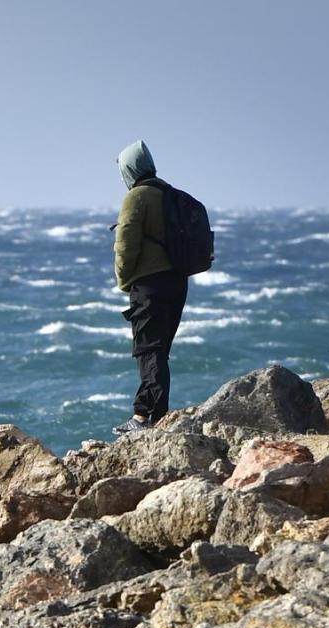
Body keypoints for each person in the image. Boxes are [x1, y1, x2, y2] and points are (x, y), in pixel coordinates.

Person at [111, 139, 189, 435]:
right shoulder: (170, 193)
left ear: (129, 169)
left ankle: (146, 418)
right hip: (177, 282)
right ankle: (154, 412)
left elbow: (125, 243)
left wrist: (123, 280)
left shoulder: (136, 197)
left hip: (149, 285)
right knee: (159, 350)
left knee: (148, 350)